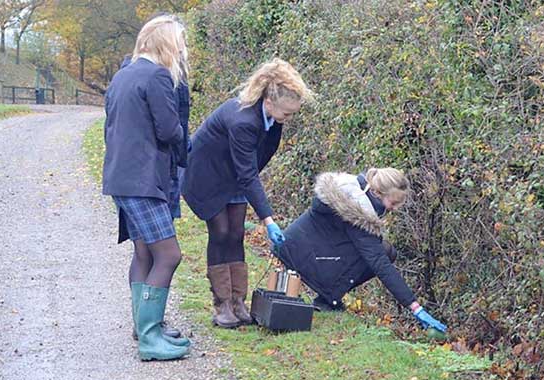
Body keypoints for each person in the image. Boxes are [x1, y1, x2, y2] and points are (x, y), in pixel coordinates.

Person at [182, 58, 313, 328]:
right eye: (287, 113)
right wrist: (269, 220)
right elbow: (248, 172)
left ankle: (238, 301)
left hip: (235, 176)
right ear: (269, 102)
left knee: (237, 233)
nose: (288, 118)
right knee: (220, 233)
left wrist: (248, 187)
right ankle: (221, 305)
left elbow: (256, 161)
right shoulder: (243, 119)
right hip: (207, 177)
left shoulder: (273, 120)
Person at [103, 15, 191, 361]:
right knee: (169, 255)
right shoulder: (156, 76)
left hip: (120, 178)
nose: (183, 51)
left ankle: (144, 327)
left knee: (143, 253)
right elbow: (170, 131)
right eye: (180, 44)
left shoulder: (123, 74)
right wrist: (185, 137)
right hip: (143, 180)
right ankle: (151, 339)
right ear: (169, 45)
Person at [272, 168, 447, 333]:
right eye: (393, 203)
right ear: (378, 193)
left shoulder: (355, 188)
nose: (394, 208)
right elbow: (380, 264)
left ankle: (328, 297)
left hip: (301, 247)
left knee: (384, 250)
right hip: (299, 255)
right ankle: (327, 298)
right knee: (380, 255)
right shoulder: (358, 210)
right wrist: (415, 307)